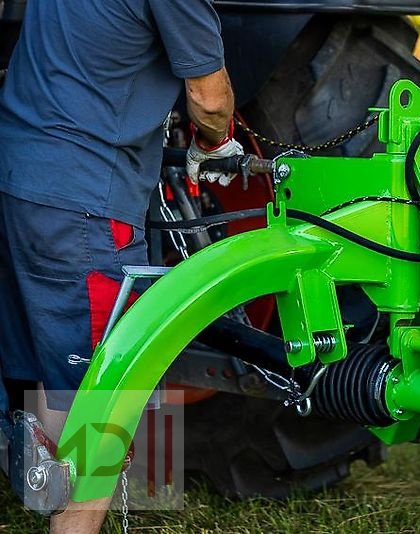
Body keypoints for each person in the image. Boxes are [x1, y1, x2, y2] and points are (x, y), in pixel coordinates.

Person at [0, 0, 244, 531]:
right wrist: (217, 144)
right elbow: (208, 99)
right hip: (85, 195)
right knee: (109, 387)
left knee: (52, 364)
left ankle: (47, 499)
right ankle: (76, 521)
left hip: (19, 176)